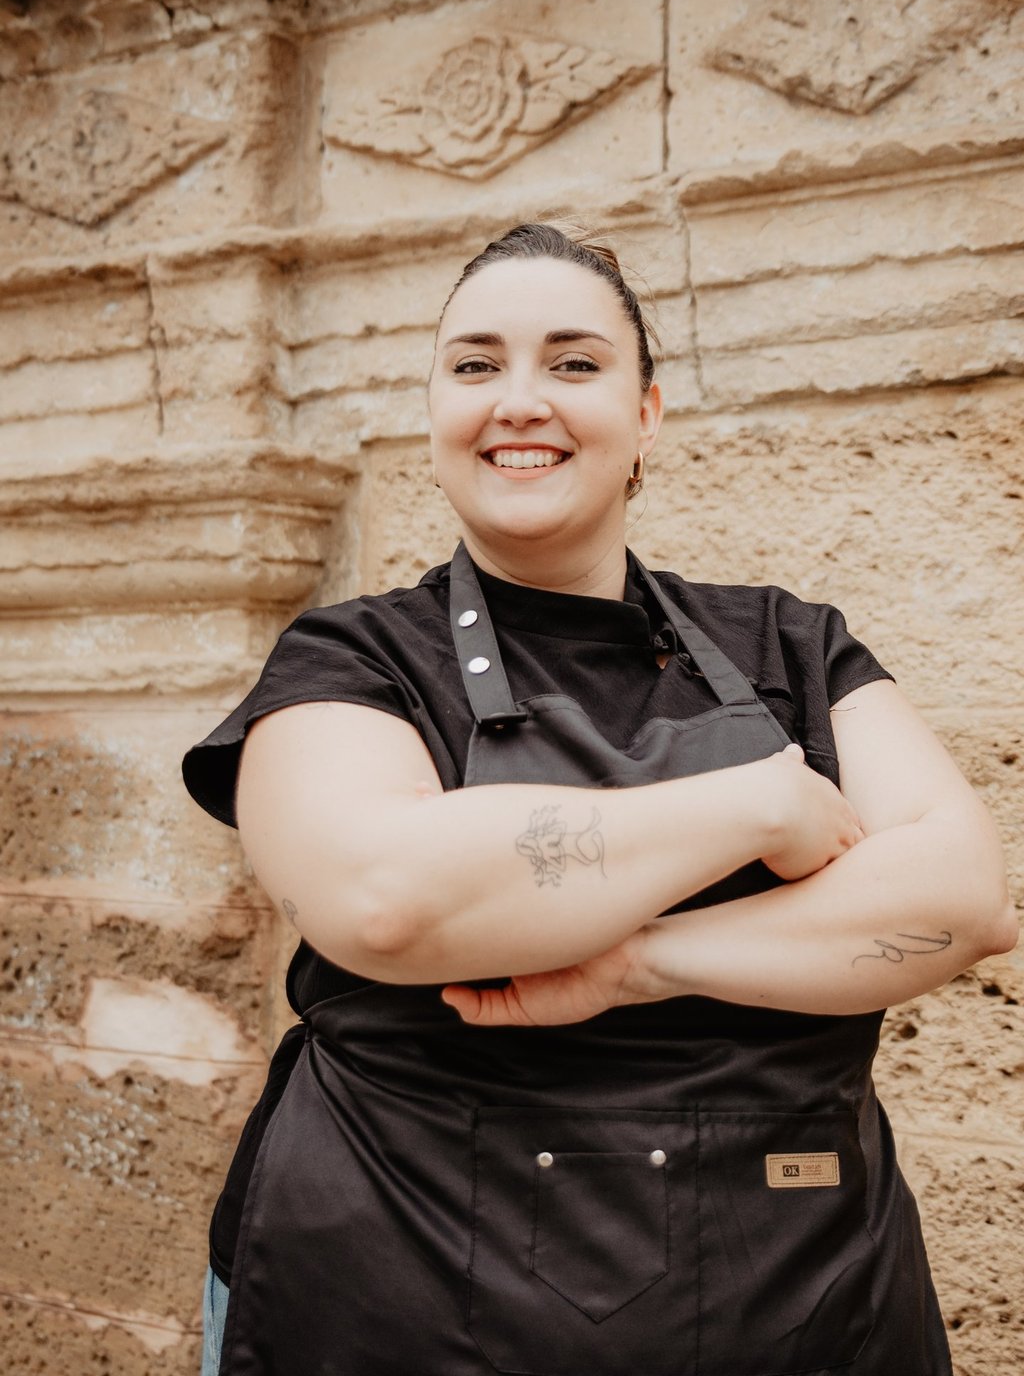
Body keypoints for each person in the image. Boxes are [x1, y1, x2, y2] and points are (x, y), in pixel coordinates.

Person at [183, 221, 1016, 1376]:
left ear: (647, 417)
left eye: (573, 364)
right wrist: (758, 814)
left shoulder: (791, 643)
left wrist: (638, 963)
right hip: (401, 1300)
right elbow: (385, 898)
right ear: (436, 416)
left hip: (805, 1305)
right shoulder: (352, 657)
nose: (518, 400)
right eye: (475, 366)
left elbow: (964, 896)